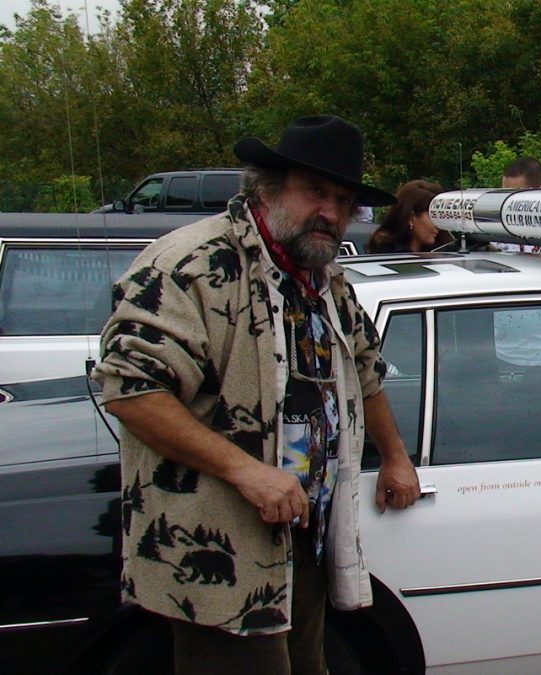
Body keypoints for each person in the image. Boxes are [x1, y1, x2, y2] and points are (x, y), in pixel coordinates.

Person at [92, 115, 420, 675]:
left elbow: (364, 370)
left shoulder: (322, 276)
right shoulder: (191, 264)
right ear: (267, 187)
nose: (331, 212)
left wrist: (394, 456)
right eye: (315, 191)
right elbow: (131, 390)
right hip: (220, 545)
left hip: (305, 532)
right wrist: (248, 471)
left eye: (343, 201)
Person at [367, 179, 451, 253]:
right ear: (411, 217)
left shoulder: (443, 252)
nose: (438, 225)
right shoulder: (387, 256)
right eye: (433, 216)